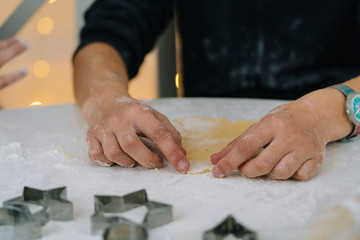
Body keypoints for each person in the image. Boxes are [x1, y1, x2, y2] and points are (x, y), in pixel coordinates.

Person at [73, 0, 360, 181]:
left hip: (342, 136)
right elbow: (105, 35)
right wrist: (106, 98)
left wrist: (326, 114)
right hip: (202, 150)